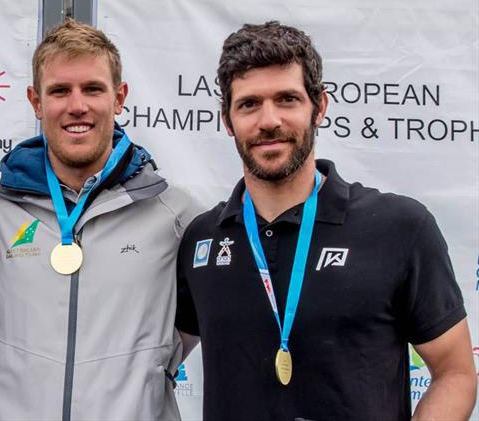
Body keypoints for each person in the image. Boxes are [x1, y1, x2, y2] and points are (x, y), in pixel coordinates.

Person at [176, 21, 477, 420]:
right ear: (227, 120)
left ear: (319, 107)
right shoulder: (203, 240)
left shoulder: (400, 227)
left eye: (287, 99)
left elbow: (455, 373)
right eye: (249, 104)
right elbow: (148, 361)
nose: (269, 120)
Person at [0, 19, 200, 421]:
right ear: (36, 102)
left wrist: (151, 368)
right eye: (59, 91)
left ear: (119, 97)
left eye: (93, 88)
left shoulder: (176, 216)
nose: (77, 106)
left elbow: (198, 325)